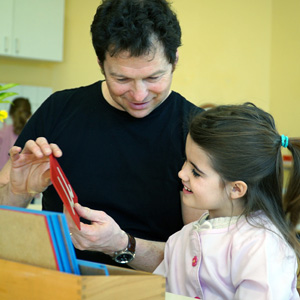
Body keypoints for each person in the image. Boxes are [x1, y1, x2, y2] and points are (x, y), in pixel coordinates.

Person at [0, 0, 203, 271]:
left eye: (154, 77)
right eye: (122, 80)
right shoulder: (58, 110)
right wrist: (16, 192)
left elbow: (201, 260)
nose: (139, 94)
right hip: (57, 280)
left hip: (151, 289)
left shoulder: (199, 131)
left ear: (174, 60)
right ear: (100, 63)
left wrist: (122, 244)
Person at [153, 102, 300, 299]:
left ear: (236, 189)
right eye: (185, 160)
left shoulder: (261, 246)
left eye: (196, 172)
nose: (181, 173)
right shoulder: (179, 240)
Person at [0, 97, 31, 170]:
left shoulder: (3, 131)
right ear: (29, 115)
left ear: (11, 113)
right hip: (21, 179)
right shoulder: (33, 135)